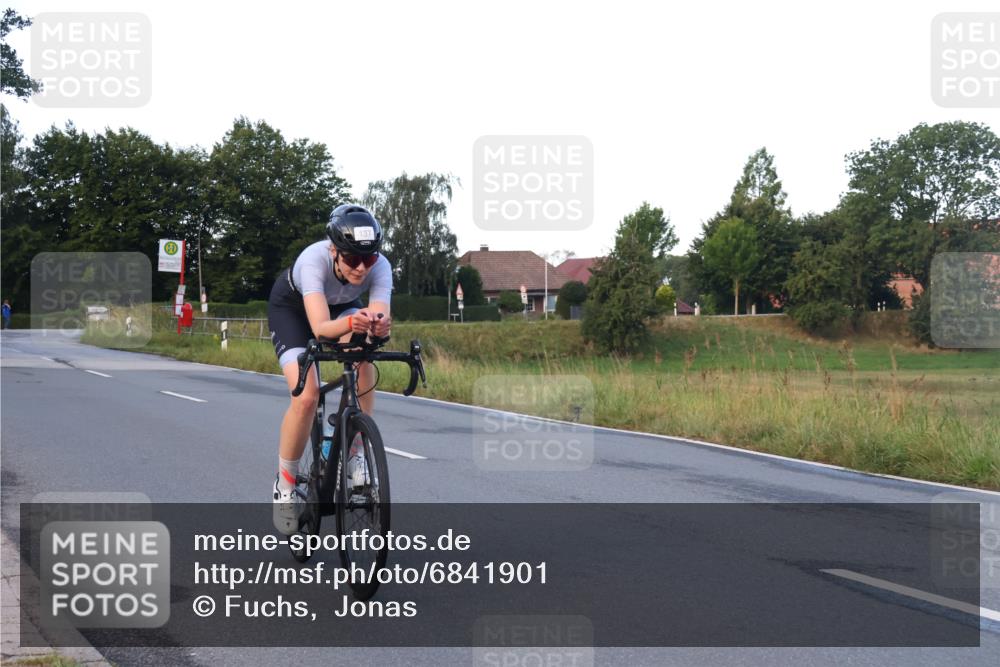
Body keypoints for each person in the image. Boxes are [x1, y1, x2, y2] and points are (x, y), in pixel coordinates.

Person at [267, 204, 392, 535]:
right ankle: (285, 486)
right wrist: (354, 320)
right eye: (352, 259)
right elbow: (321, 328)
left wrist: (377, 327)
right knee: (306, 396)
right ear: (334, 251)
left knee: (365, 349)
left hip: (342, 311)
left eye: (369, 259)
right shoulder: (313, 260)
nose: (362, 268)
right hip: (294, 312)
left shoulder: (380, 267)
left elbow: (378, 316)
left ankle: (354, 452)